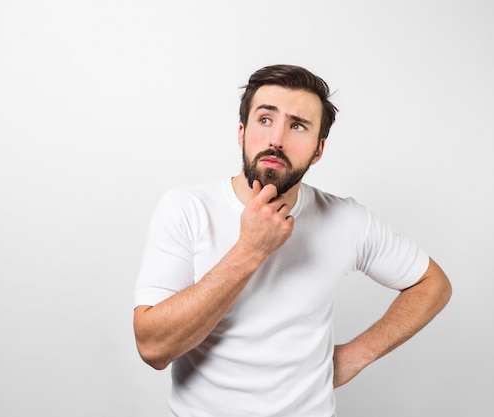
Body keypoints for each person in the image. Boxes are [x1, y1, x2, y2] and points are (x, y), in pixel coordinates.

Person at [133, 64, 452, 416]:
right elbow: (152, 348)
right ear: (241, 132)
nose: (277, 139)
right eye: (265, 119)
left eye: (298, 125)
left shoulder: (346, 219)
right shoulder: (186, 208)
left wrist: (355, 356)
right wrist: (249, 250)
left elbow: (432, 284)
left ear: (318, 150)